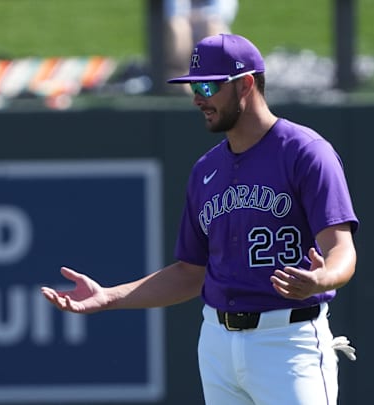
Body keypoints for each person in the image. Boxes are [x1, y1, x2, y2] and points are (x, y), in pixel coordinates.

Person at [41, 34, 358, 405]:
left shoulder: (306, 153)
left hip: (288, 340)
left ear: (246, 84)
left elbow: (342, 249)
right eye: (193, 86)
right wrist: (109, 297)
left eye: (208, 85)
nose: (197, 98)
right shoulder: (206, 169)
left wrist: (322, 277)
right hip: (218, 342)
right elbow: (190, 272)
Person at [164, 0, 239, 90]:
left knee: (211, 25)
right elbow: (172, 12)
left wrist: (195, 17)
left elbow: (220, 13)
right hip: (183, 33)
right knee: (178, 26)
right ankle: (179, 73)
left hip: (208, 29)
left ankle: (209, 75)